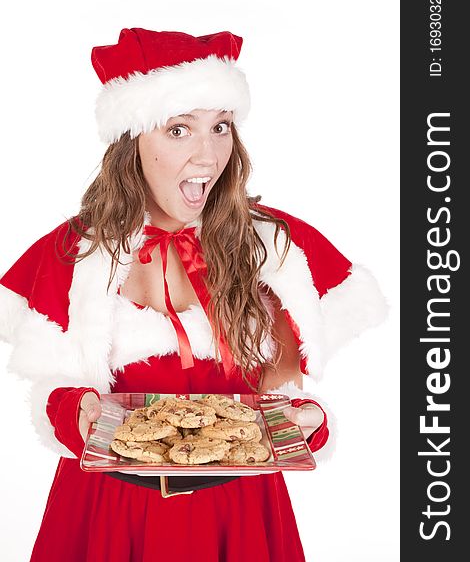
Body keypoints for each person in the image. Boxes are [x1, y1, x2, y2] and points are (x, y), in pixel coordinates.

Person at [0, 28, 387, 561]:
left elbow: (286, 392)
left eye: (221, 127)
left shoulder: (274, 250)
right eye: (179, 129)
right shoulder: (75, 254)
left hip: (239, 515)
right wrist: (75, 411)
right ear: (131, 140)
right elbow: (54, 385)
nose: (208, 155)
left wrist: (304, 424)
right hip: (106, 514)